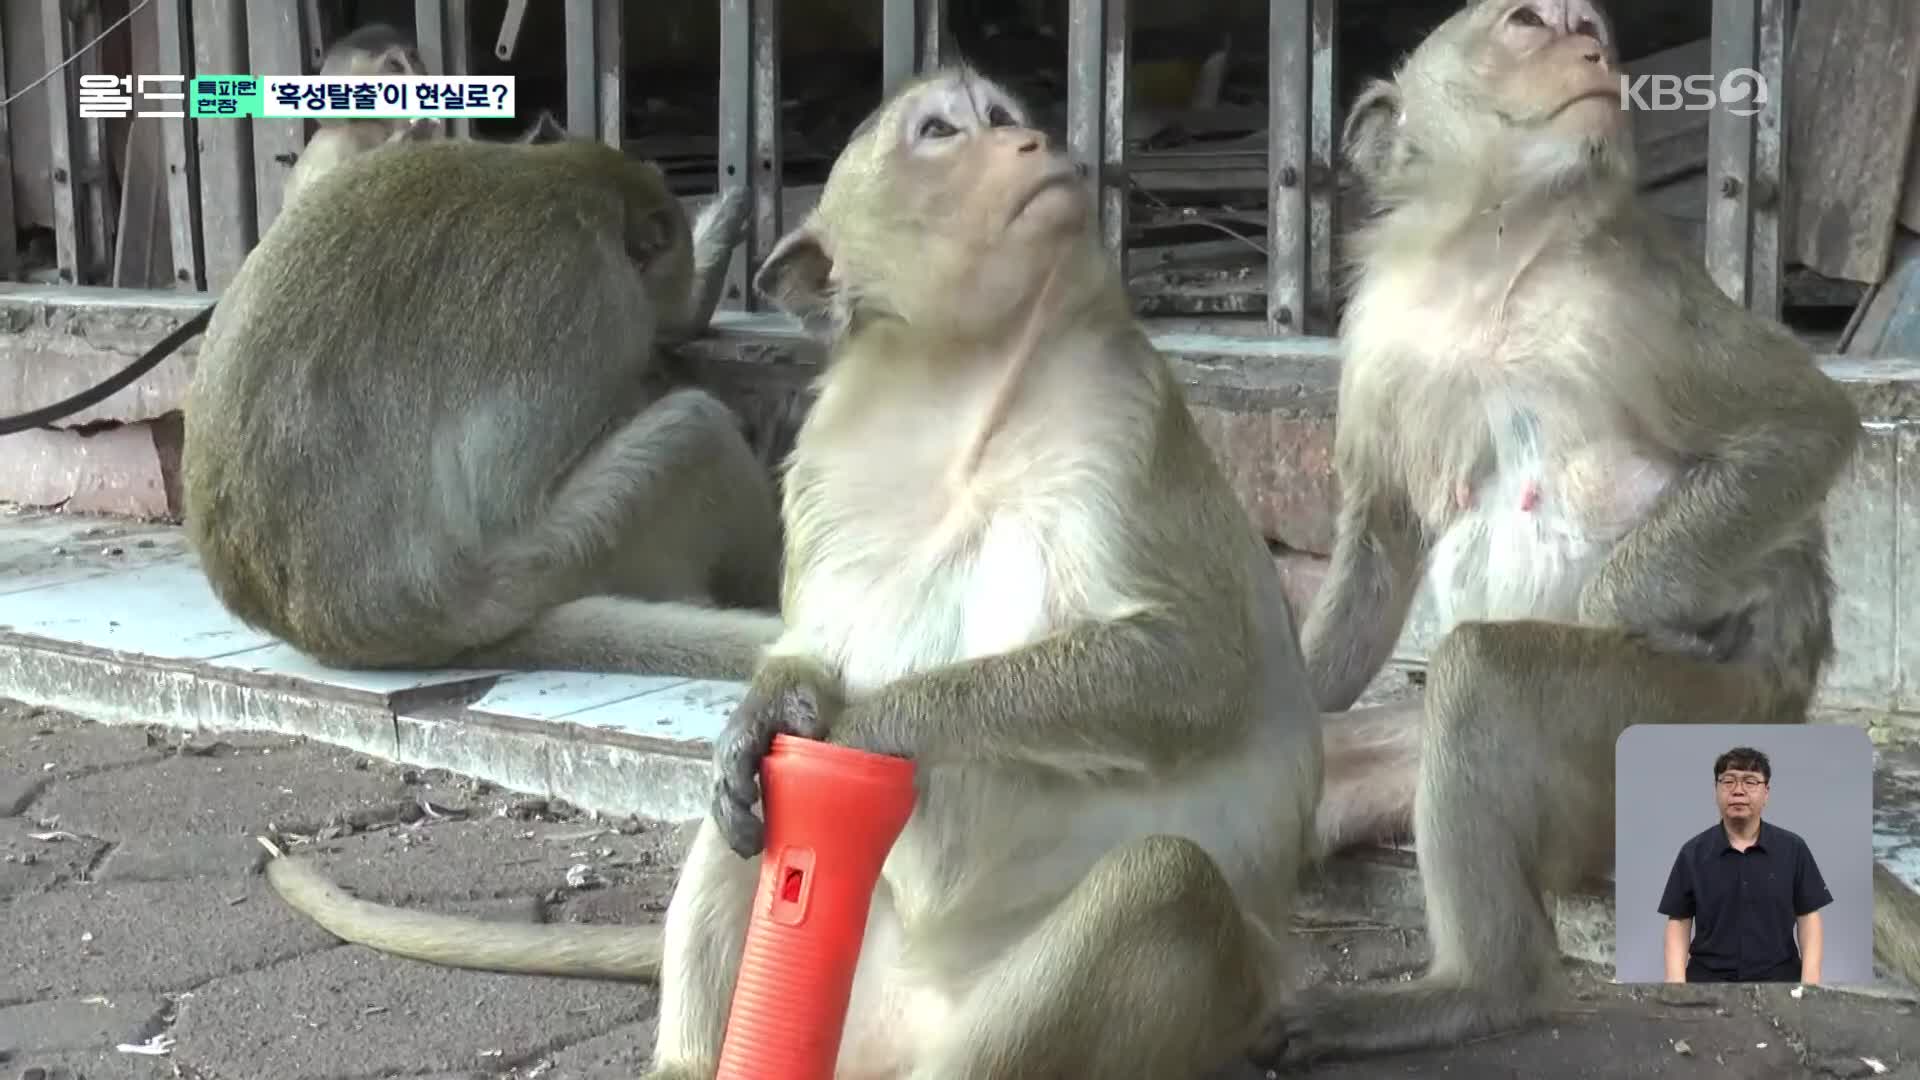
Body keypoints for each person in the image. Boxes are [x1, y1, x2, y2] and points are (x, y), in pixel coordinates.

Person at [1657, 746, 1832, 984]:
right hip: (1707, 983)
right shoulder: (1693, 853)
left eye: (1750, 782)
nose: (1738, 791)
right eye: (1728, 781)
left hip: (1779, 983)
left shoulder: (1793, 849)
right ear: (1716, 790)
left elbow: (1808, 917)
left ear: (1766, 792)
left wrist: (1810, 983)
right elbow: (1678, 921)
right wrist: (1676, 984)